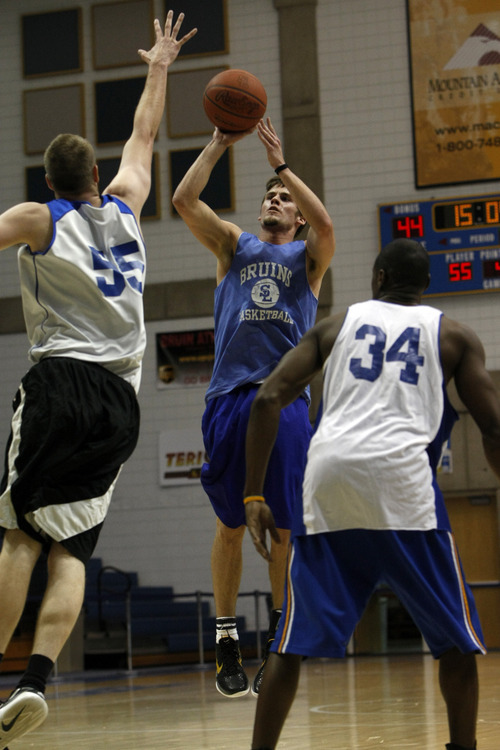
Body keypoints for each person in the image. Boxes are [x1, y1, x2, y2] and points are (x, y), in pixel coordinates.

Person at [0, 11, 196, 748]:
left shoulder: (35, 217)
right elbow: (144, 137)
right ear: (95, 178)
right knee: (72, 550)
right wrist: (159, 66)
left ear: (50, 181)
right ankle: (36, 681)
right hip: (121, 401)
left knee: (18, 535)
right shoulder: (127, 205)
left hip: (61, 387)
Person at [243, 238, 500, 750]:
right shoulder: (455, 336)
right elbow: (493, 426)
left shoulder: (335, 325)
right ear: (425, 288)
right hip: (403, 488)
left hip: (329, 484)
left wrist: (254, 495)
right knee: (456, 644)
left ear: (378, 278)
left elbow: (269, 396)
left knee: (289, 644)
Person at [172, 120, 335, 697]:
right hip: (229, 399)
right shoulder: (233, 245)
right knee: (231, 523)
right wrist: (217, 142)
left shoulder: (308, 259)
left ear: (294, 214)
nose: (274, 197)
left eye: (283, 196)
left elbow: (326, 223)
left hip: (285, 402)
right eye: (270, 192)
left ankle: (281, 641)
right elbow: (183, 200)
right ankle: (225, 639)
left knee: (283, 526)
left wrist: (283, 163)